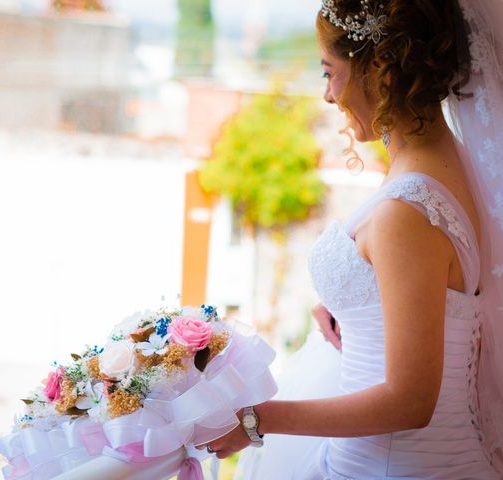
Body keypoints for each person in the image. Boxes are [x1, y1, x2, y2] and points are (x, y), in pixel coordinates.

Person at [203, 0, 503, 478]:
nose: (327, 94)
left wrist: (259, 419)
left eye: (330, 72)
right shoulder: (446, 166)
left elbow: (409, 402)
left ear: (380, 69)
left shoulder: (407, 209)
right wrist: (357, 306)